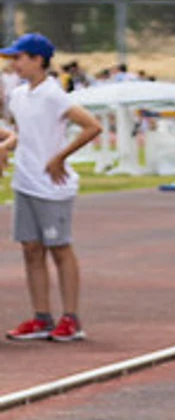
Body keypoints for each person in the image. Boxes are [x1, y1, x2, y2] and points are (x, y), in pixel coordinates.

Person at [3, 34, 102, 342]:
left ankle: (71, 318)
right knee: (31, 250)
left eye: (19, 58)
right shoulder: (18, 95)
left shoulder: (52, 94)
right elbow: (26, 132)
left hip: (51, 185)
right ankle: (41, 317)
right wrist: (7, 144)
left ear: (37, 60)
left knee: (60, 248)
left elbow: (92, 126)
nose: (14, 64)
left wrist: (60, 157)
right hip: (25, 181)